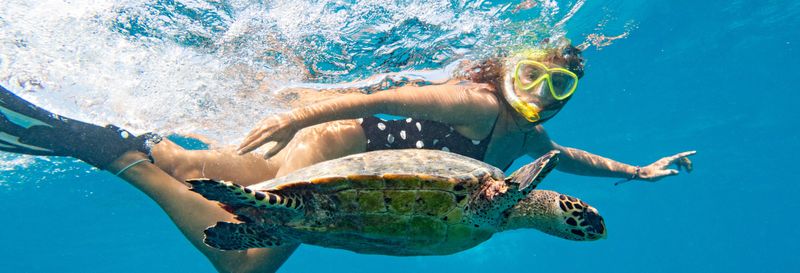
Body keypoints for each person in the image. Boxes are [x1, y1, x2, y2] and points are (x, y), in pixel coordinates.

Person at [0, 39, 694, 273]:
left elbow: (569, 158)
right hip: (339, 147)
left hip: (361, 177)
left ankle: (121, 142)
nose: (543, 92)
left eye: (561, 84)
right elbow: (372, 97)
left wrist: (639, 172)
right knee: (247, 243)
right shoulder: (474, 104)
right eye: (534, 73)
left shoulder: (529, 143)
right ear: (506, 70)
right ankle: (116, 151)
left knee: (222, 192)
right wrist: (289, 117)